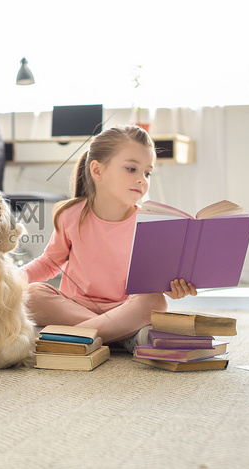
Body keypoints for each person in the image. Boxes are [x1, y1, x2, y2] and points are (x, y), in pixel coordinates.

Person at [20, 125, 197, 352]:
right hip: (75, 305)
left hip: (126, 307)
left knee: (155, 301)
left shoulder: (147, 222)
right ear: (97, 171)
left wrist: (173, 286)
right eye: (131, 168)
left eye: (147, 172)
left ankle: (77, 335)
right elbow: (48, 264)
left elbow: (155, 279)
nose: (142, 179)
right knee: (32, 294)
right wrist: (9, 281)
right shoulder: (70, 215)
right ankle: (121, 337)